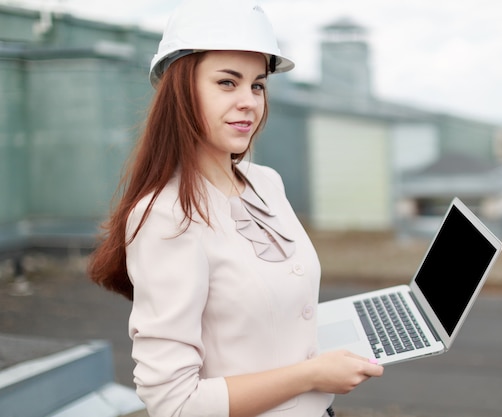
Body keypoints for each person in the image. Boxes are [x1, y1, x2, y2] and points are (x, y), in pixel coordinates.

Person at [87, 1, 384, 416]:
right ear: (182, 90)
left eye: (257, 85)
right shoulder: (165, 216)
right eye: (228, 83)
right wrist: (313, 375)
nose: (249, 101)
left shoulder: (266, 183)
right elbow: (174, 404)